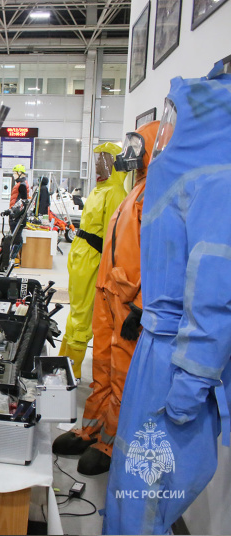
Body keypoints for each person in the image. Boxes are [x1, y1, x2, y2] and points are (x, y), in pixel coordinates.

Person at [103, 66, 231, 536]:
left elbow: (216, 298)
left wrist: (191, 385)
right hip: (157, 351)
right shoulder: (200, 179)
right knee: (131, 485)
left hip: (175, 359)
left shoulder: (218, 184)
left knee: (145, 495)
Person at [53, 121, 159, 476]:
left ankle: (111, 442)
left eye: (138, 147)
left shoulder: (155, 197)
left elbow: (162, 257)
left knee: (122, 371)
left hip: (129, 302)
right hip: (108, 294)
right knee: (102, 366)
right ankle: (92, 427)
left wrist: (142, 305)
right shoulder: (135, 191)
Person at [58, 143, 127, 379]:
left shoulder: (115, 193)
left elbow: (112, 239)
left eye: (104, 159)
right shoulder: (100, 189)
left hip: (93, 263)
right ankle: (61, 363)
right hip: (81, 260)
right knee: (75, 312)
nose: (98, 164)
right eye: (98, 159)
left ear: (115, 165)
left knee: (82, 316)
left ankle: (70, 370)